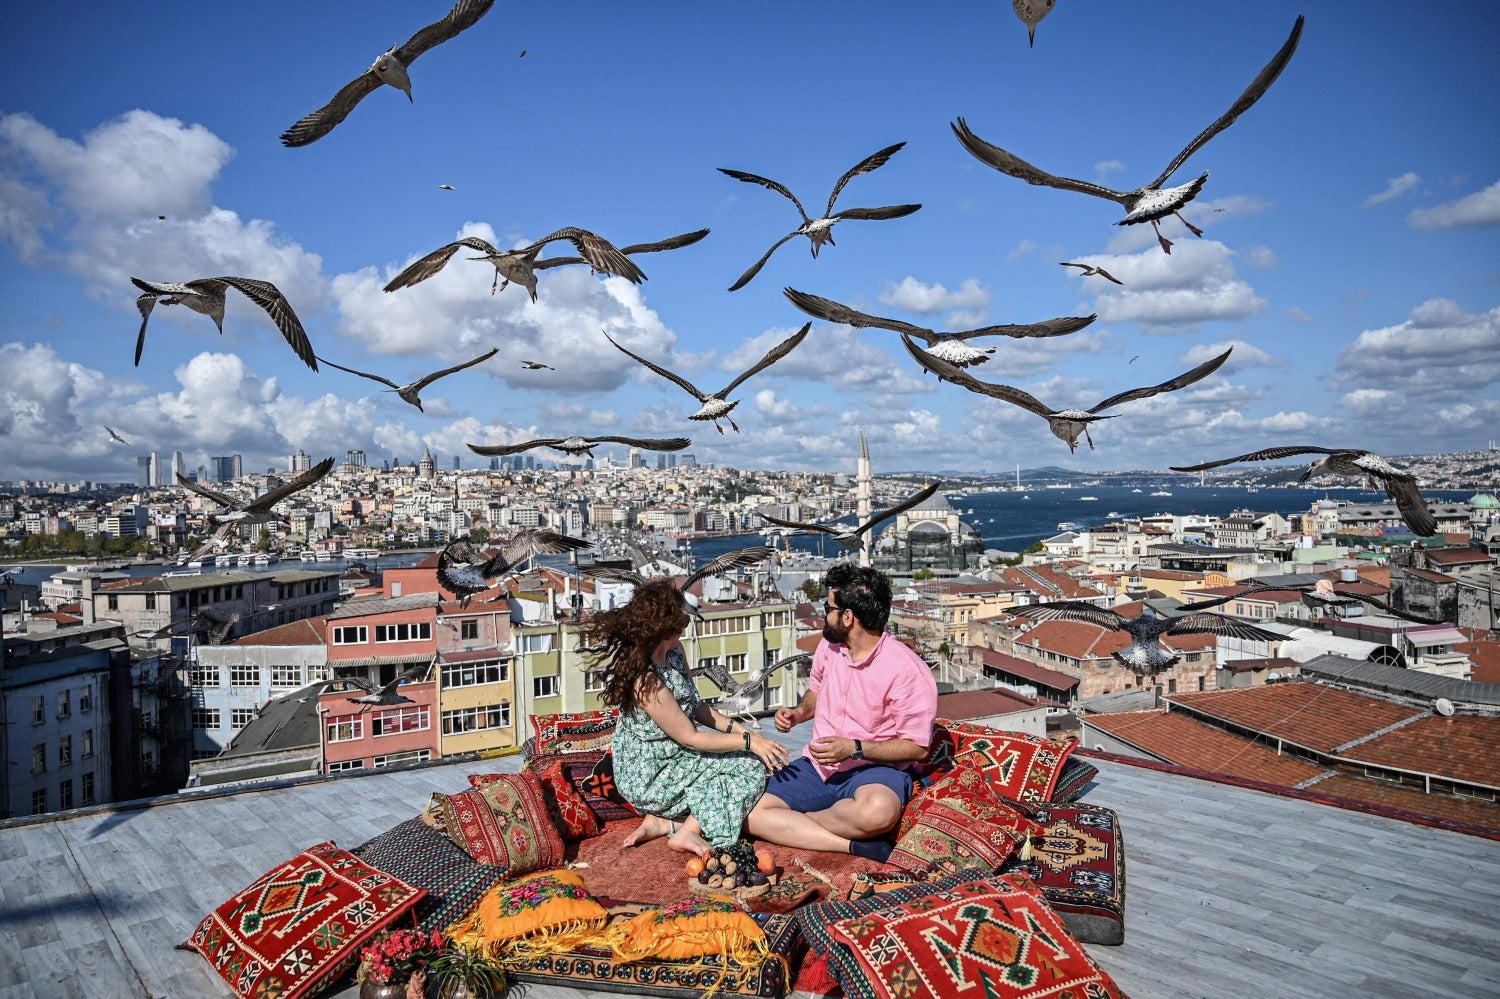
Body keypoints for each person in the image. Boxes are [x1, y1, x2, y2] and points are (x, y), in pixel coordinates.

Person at [580, 577, 790, 857]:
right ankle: (688, 831)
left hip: (678, 755)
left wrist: (738, 729)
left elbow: (696, 706)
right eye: (678, 617)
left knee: (741, 764)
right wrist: (750, 743)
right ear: (662, 626)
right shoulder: (647, 681)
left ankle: (664, 822)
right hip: (653, 771)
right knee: (748, 768)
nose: (684, 622)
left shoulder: (675, 652)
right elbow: (690, 738)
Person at [746, 563, 937, 859]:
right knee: (749, 811)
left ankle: (794, 826)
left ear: (847, 617)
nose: (824, 615)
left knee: (878, 812)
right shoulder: (830, 647)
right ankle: (850, 843)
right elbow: (817, 689)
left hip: (873, 771)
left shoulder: (906, 671)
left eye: (828, 607)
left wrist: (854, 749)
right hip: (819, 767)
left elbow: (918, 748)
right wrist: (799, 713)